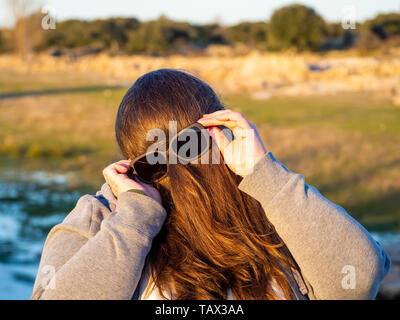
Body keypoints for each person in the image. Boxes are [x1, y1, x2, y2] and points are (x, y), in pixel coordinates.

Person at [31, 69, 390, 300]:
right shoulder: (101, 216)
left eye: (189, 145)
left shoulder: (271, 204)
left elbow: (357, 278)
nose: (181, 170)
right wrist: (135, 217)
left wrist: (263, 173)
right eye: (156, 162)